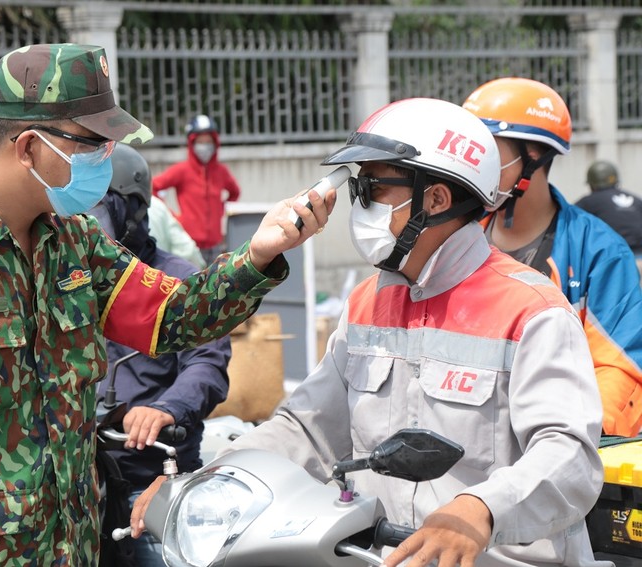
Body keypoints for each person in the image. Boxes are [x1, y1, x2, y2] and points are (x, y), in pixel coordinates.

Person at [0, 43, 333, 565]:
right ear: (29, 147)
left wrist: (257, 257)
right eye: (92, 144)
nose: (106, 159)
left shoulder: (73, 242)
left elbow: (171, 315)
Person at [131, 98, 608, 567]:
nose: (359, 204)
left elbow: (569, 457)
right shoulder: (366, 303)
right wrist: (202, 482)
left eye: (375, 188)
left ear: (436, 199)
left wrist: (480, 510)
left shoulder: (531, 310)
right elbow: (307, 429)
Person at [463, 77, 642, 437]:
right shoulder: (456, 236)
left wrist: (567, 444)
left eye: (488, 150)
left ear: (533, 154)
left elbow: (620, 367)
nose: (473, 162)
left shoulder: (599, 252)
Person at [88, 143, 230, 567]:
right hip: (80, 488)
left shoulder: (179, 282)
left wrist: (164, 409)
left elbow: (207, 363)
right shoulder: (71, 284)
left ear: (130, 211)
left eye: (95, 213)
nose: (83, 229)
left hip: (150, 485)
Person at [152, 114, 241, 265]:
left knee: (215, 285)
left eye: (208, 141)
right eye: (200, 141)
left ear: (215, 143)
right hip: (189, 245)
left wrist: (220, 208)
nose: (205, 146)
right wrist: (171, 216)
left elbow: (235, 192)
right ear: (192, 143)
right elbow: (154, 187)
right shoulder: (182, 170)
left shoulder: (220, 171)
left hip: (215, 245)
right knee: (191, 284)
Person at [577, 160, 642, 257]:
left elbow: (569, 223)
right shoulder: (636, 200)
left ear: (591, 184)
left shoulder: (588, 202)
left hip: (615, 255)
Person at [148, 195, 206, 268]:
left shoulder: (156, 204)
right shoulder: (157, 205)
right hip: (159, 271)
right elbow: (187, 250)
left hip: (137, 272)